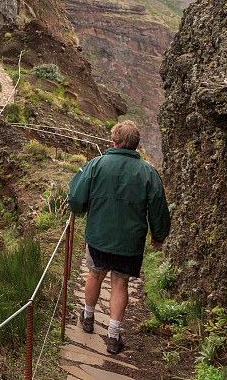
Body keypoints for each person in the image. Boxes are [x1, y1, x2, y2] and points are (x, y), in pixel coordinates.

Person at [67, 120, 170, 354]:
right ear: (136, 146)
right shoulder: (149, 173)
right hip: (130, 242)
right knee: (120, 283)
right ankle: (113, 336)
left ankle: (88, 317)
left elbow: (75, 197)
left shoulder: (96, 165)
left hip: (98, 236)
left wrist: (80, 210)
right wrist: (158, 236)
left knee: (94, 274)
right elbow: (158, 208)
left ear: (113, 141)